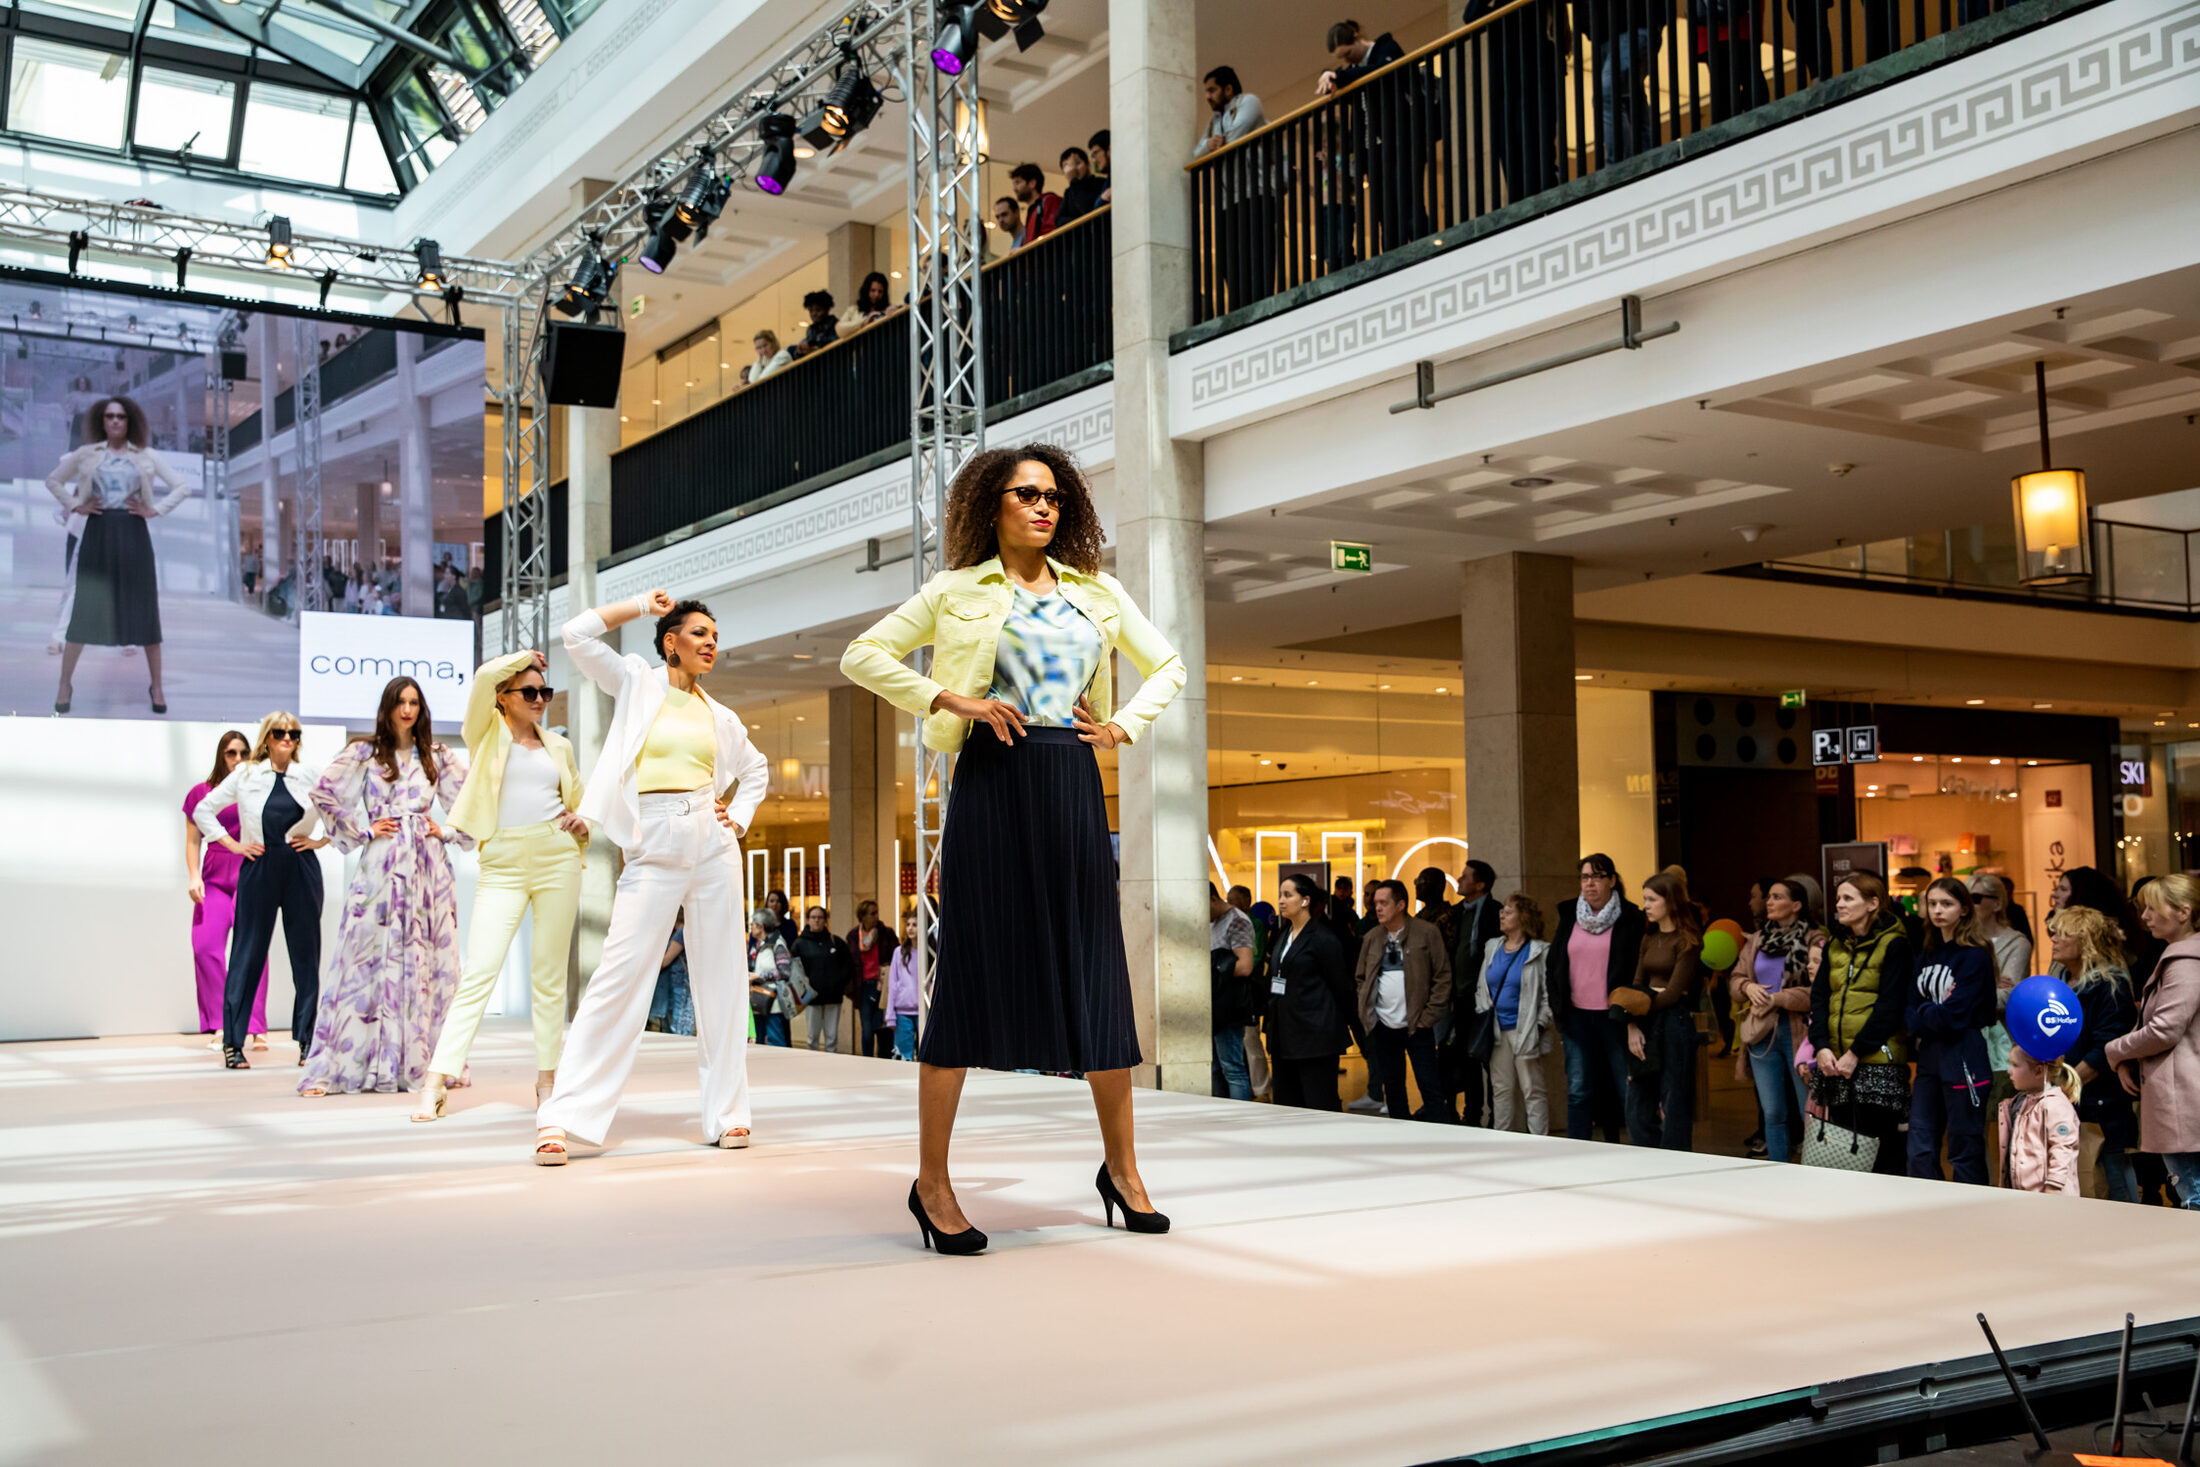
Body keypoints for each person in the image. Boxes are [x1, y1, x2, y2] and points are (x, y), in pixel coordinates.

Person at [841, 442, 1187, 1252]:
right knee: (966, 977)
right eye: (1025, 493)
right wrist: (951, 697)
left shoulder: (1096, 592)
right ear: (988, 505)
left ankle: (1124, 1171)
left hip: (1071, 780)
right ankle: (932, 1185)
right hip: (991, 784)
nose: (1043, 506)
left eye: (1055, 495)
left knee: (1097, 971)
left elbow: (1167, 664)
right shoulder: (956, 590)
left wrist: (1123, 724)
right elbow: (863, 655)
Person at [534, 591, 770, 1164]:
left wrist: (735, 818)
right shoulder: (639, 681)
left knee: (722, 981)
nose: (711, 642)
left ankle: (729, 1116)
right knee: (619, 976)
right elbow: (576, 635)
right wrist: (641, 604)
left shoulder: (722, 715)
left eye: (715, 635)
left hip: (712, 844)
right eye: (698, 634)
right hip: (655, 838)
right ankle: (562, 1118)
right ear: (671, 643)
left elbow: (755, 769)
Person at [421, 650, 589, 1122]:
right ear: (504, 698)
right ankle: (437, 1079)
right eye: (529, 692)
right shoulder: (486, 735)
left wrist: (581, 823)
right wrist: (522, 658)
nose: (539, 700)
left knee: (549, 977)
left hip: (556, 855)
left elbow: (577, 799)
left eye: (545, 693)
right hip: (503, 862)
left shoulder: (560, 747)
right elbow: (480, 676)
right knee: (479, 972)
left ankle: (547, 1082)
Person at [301, 678, 469, 1098]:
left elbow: (475, 801)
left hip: (428, 868)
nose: (408, 710)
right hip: (381, 862)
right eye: (401, 702)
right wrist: (361, 829)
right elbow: (323, 793)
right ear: (388, 707)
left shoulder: (438, 756)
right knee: (364, 955)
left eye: (414, 702)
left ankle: (427, 1063)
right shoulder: (365, 752)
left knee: (427, 958)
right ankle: (352, 1062)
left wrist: (445, 831)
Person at [194, 713, 328, 1070]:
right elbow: (203, 809)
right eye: (280, 732)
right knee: (247, 953)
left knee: (306, 956)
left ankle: (307, 1041)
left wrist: (321, 840)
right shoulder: (247, 774)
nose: (287, 738)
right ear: (267, 738)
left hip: (300, 866)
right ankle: (234, 1043)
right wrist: (233, 845)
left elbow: (343, 811)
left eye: (294, 733)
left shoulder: (310, 775)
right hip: (260, 864)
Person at [47, 397, 189, 715]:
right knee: (85, 608)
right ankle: (64, 684)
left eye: (121, 417)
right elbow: (53, 480)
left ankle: (157, 686)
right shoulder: (85, 455)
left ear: (130, 421)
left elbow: (182, 486)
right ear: (101, 420)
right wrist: (76, 505)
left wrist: (154, 510)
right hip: (98, 532)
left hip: (134, 533)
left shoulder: (146, 456)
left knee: (146, 612)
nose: (115, 421)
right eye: (109, 416)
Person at [1806, 872, 1913, 1172]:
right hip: (1836, 1062)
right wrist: (1821, 1046)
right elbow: (1820, 998)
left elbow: (1890, 1007)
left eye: (1847, 898)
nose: (1839, 904)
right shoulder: (1834, 944)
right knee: (1846, 1152)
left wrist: (1856, 1052)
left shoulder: (1895, 945)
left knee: (1881, 1152)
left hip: (1877, 1062)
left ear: (1872, 903)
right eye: (1838, 898)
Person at [2105, 874, 2200, 1209]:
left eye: (2152, 908)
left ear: (2183, 912)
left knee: (2193, 1197)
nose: (2144, 916)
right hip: (2186, 1093)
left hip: (2185, 1097)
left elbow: (2164, 1030)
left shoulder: (2185, 962)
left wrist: (2115, 1049)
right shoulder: (2183, 958)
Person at [1546, 854, 1644, 1143]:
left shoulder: (1631, 919)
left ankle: (1641, 1148)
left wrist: (1631, 1013)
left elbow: (1636, 968)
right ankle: (1577, 1150)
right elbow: (1554, 966)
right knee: (1579, 1087)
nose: (1590, 884)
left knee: (1626, 1085)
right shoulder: (1569, 916)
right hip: (1576, 1016)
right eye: (1584, 877)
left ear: (1612, 881)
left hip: (1616, 1015)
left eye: (1597, 877)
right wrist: (1558, 1009)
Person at [1905, 877, 1996, 1184]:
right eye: (1932, 904)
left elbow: (1954, 1016)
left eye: (1946, 904)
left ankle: (1970, 1217)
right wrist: (1934, 1010)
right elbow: (1909, 1011)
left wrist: (1927, 1011)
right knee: (1919, 1145)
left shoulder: (1975, 955)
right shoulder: (1925, 954)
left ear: (1964, 910)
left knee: (1964, 1146)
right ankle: (1928, 1212)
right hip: (1929, 1055)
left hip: (1964, 1055)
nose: (1938, 911)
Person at [2045, 904, 2138, 1202]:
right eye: (2054, 933)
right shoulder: (2057, 983)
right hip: (2065, 1100)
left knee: (2114, 1185)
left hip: (2101, 1105)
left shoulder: (2111, 986)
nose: (2054, 940)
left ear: (2086, 942)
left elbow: (2104, 1051)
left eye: (2064, 934)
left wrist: (2062, 1087)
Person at [184, 731, 270, 1052]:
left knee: (253, 951)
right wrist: (194, 876)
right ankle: (222, 1022)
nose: (237, 759)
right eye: (231, 753)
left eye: (243, 753)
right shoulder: (201, 793)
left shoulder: (256, 789)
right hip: (216, 873)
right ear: (221, 755)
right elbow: (193, 841)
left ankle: (255, 1025)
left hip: (250, 870)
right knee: (204, 946)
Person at [1731, 876, 1823, 1163]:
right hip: (1762, 1031)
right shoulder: (1759, 939)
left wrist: (1779, 998)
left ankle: (1814, 1169)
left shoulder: (1815, 939)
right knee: (1772, 1112)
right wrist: (1748, 987)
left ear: (1796, 905)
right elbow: (1735, 979)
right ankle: (1778, 1170)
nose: (1769, 902)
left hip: (1801, 1033)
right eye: (1768, 896)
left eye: (1777, 897)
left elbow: (1820, 990)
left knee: (1807, 1109)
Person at [1608, 870, 1702, 1149]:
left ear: (1670, 902)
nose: (1645, 905)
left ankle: (1674, 1164)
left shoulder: (1688, 940)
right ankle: (1651, 1159)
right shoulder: (1648, 939)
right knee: (1637, 1105)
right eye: (1644, 898)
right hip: (1643, 1023)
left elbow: (1674, 993)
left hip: (1675, 1023)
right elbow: (1635, 987)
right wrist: (1631, 1025)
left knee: (1674, 1101)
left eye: (1651, 899)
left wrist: (1640, 1004)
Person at [1317, 20, 1430, 253]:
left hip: (1402, 142)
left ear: (1357, 37)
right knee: (1383, 214)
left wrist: (1340, 76)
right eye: (1342, 58)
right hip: (1374, 151)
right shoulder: (1352, 72)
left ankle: (1427, 251)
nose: (1348, 62)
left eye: (1348, 53)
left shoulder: (1386, 48)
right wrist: (1332, 76)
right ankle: (1392, 264)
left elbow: (1382, 72)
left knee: (1408, 203)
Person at [1353, 879, 1453, 1121]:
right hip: (1383, 1025)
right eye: (1375, 902)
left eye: (1383, 903)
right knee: (1393, 1087)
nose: (1377, 907)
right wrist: (1370, 1015)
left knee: (1430, 1086)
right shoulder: (1372, 937)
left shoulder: (1427, 932)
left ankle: (1443, 1137)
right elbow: (1361, 978)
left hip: (1418, 1024)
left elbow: (1443, 977)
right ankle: (1400, 1136)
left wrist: (1428, 1017)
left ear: (1400, 905)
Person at [1262, 872, 1355, 1110]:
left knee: (1319, 1103)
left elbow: (1341, 987)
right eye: (1280, 895)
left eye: (1288, 895)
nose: (1281, 901)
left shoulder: (1323, 938)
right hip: (1284, 1035)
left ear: (1305, 900)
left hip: (1315, 1037)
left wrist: (1355, 1029)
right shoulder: (1284, 935)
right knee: (1287, 1104)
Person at [1462, 0, 1564, 204]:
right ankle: (1522, 214)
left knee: (1536, 155)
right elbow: (1471, 15)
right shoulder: (1500, 7)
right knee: (1510, 157)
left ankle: (1546, 208)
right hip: (1505, 88)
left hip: (1534, 79)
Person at [1192, 66, 1273, 314]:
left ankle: (1259, 306)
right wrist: (1209, 144)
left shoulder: (1249, 102)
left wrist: (1214, 146)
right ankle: (1240, 309)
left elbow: (1237, 136)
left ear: (1228, 88)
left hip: (1257, 192)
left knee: (1257, 251)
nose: (1208, 96)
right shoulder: (1214, 122)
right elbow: (1195, 154)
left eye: (1212, 90)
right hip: (1229, 199)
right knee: (1229, 260)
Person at [1475, 893, 1553, 1133]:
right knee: (1501, 1091)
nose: (1502, 915)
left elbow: (1548, 996)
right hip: (1497, 1030)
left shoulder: (1540, 951)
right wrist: (1483, 1013)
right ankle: (1503, 1143)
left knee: (1533, 1091)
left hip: (1527, 1029)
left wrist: (1539, 1025)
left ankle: (1540, 1145)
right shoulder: (1492, 947)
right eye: (1502, 911)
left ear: (1523, 917)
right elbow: (1482, 987)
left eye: (1508, 912)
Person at [1444, 858, 1502, 1121]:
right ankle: (1471, 1113)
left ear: (1479, 884)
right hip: (1460, 998)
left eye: (1465, 876)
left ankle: (1494, 1116)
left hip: (1488, 1000)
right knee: (1464, 1060)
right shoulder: (1455, 914)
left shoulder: (1495, 913)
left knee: (1490, 1062)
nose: (1459, 879)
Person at [1968, 873, 2033, 1087]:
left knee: (1997, 1115)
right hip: (1963, 1042)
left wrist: (1963, 993)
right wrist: (1989, 985)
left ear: (1997, 904)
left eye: (1975, 898)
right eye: (1964, 898)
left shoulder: (2016, 943)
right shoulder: (1961, 941)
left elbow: (2007, 997)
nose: (1968, 904)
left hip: (2000, 1044)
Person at [1996, 1046, 2081, 1196]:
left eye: (2015, 1065)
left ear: (2038, 1071)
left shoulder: (2056, 1106)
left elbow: (2062, 1148)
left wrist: (2053, 1188)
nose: (2009, 1071)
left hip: (2050, 1198)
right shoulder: (2020, 1103)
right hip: (2026, 1197)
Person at [1211, 884, 1257, 1100]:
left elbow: (1245, 966)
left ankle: (1239, 1116)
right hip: (1214, 1006)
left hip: (1229, 1005)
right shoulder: (1212, 922)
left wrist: (1215, 972)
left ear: (1211, 899)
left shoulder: (1236, 920)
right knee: (1216, 1068)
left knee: (1232, 1067)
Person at [792, 906, 854, 1052]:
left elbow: (848, 965)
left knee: (831, 1037)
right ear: (807, 920)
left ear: (825, 921)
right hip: (812, 999)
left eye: (820, 917)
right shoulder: (800, 944)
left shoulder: (835, 942)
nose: (817, 921)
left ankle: (831, 1065)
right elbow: (793, 969)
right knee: (812, 1037)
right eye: (813, 917)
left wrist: (839, 983)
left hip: (833, 997)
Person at [848, 899, 899, 1058]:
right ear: (862, 916)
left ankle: (884, 1060)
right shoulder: (853, 936)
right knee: (867, 1029)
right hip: (863, 987)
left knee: (883, 1028)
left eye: (877, 913)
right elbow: (849, 962)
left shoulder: (886, 933)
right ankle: (867, 1059)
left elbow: (896, 958)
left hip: (883, 986)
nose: (876, 916)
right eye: (872, 913)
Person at [749, 910, 796, 1047]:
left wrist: (759, 975)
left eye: (752, 924)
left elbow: (784, 972)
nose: (750, 927)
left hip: (773, 1003)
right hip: (757, 1000)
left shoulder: (777, 943)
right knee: (757, 1040)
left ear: (760, 926)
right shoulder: (756, 945)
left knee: (776, 1040)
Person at [886, 914, 922, 1060]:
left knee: (927, 1054)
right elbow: (893, 983)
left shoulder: (929, 952)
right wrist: (890, 1016)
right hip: (903, 1010)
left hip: (924, 1010)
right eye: (908, 924)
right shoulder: (899, 952)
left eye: (915, 924)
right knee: (903, 1054)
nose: (910, 928)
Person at [649, 919, 692, 1036]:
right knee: (681, 1021)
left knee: (678, 1023)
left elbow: (666, 960)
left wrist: (646, 969)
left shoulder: (682, 932)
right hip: (681, 984)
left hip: (679, 985)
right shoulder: (688, 931)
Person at [1009, 163, 1061, 246]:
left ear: (1032, 183)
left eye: (1018, 183)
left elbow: (1051, 233)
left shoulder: (1049, 200)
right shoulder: (1033, 210)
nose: (1014, 189)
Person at [1057, 146, 1108, 224]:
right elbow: (1058, 221)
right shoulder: (1069, 192)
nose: (1073, 169)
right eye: (1067, 165)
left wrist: (1074, 181)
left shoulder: (1101, 183)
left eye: (1077, 163)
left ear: (1088, 165)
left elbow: (1086, 209)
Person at [787, 291, 839, 360]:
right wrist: (800, 350)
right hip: (814, 365)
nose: (814, 314)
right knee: (791, 349)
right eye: (811, 311)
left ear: (827, 309)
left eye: (818, 310)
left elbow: (835, 347)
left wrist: (814, 349)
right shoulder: (811, 329)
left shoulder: (836, 325)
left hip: (830, 364)